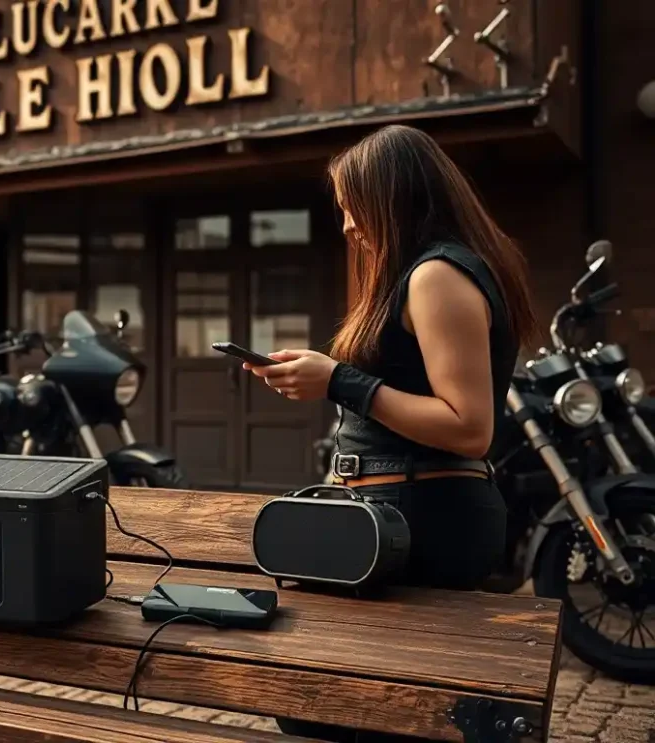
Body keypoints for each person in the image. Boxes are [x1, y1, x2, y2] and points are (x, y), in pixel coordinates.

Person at [243, 124, 537, 742]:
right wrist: (324, 378)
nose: (348, 226)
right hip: (395, 511)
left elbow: (469, 426)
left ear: (394, 198)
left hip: (418, 516)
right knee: (330, 709)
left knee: (325, 708)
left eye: (354, 207)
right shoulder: (427, 272)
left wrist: (339, 381)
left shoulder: (437, 276)